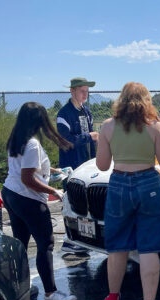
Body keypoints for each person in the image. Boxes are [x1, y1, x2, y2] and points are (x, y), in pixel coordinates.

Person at [96, 82, 160, 300]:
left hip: (119, 184)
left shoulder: (107, 127)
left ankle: (112, 297)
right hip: (149, 183)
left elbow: (101, 165)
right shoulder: (154, 127)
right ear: (146, 101)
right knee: (149, 246)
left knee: (117, 245)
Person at [2, 102, 77, 300]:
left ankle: (20, 290)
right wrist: (53, 191)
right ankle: (51, 294)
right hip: (27, 198)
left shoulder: (16, 139)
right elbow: (28, 178)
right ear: (38, 121)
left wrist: (53, 169)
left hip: (11, 194)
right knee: (46, 244)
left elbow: (27, 167)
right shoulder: (33, 143)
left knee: (21, 244)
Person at [57, 77, 99, 254]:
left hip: (87, 163)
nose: (85, 94)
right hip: (70, 164)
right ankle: (69, 238)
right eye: (82, 91)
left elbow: (92, 137)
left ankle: (85, 237)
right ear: (72, 91)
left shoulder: (86, 111)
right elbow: (66, 140)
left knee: (87, 204)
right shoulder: (63, 114)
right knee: (70, 201)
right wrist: (89, 136)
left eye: (86, 91)